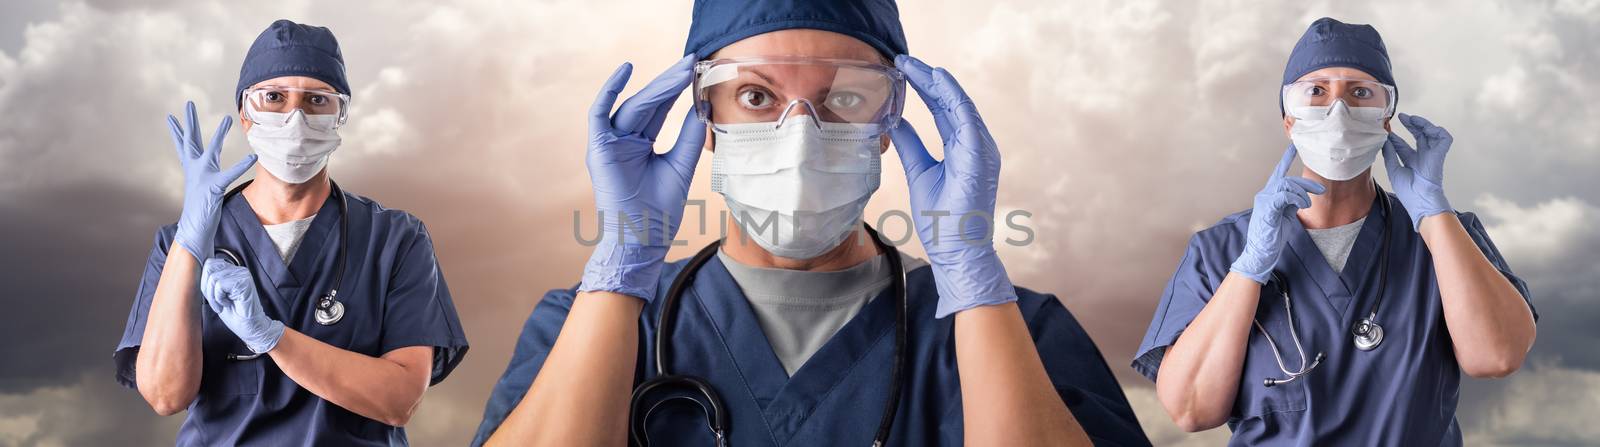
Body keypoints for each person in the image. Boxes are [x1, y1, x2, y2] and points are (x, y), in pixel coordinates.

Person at [472, 0, 1147, 445]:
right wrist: (620, 270)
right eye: (757, 95)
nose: (800, 137)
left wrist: (973, 274)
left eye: (846, 97)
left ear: (888, 123)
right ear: (704, 117)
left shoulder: (1017, 332)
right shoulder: (587, 325)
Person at [1133, 18, 1537, 446]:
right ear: (1289, 119)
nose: (1338, 110)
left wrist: (1434, 216)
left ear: (1386, 118)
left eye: (1361, 92)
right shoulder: (1221, 250)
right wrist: (1248, 271)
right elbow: (1192, 409)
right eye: (1316, 91)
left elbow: (1495, 357)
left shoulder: (1448, 238)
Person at [112, 20, 469, 445]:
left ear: (341, 115)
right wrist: (190, 245)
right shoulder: (179, 243)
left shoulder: (395, 239)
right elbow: (166, 394)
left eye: (317, 100)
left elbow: (400, 400)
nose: (295, 116)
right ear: (245, 114)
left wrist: (271, 336)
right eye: (274, 97)